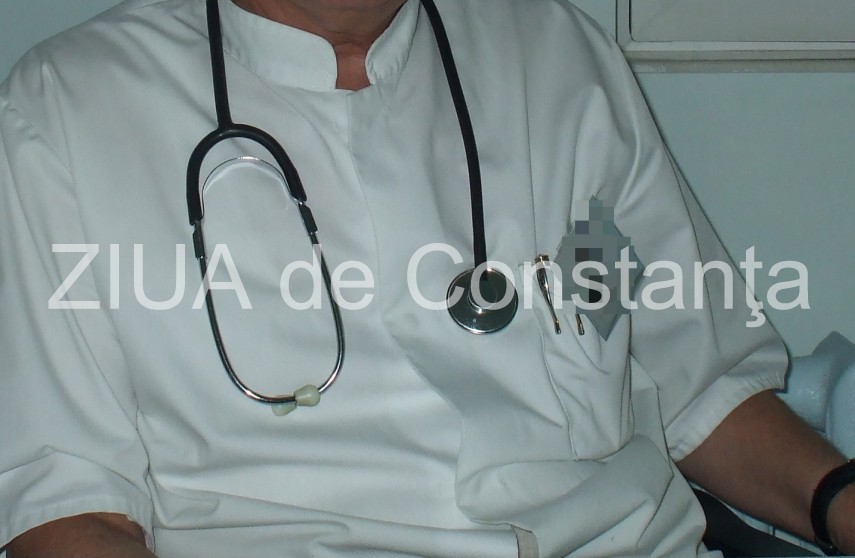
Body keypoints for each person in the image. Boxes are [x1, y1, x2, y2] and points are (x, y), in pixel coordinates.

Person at [0, 0, 853, 556]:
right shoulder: (69, 109)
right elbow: (67, 510)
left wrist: (838, 503)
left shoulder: (555, 59)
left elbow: (700, 389)